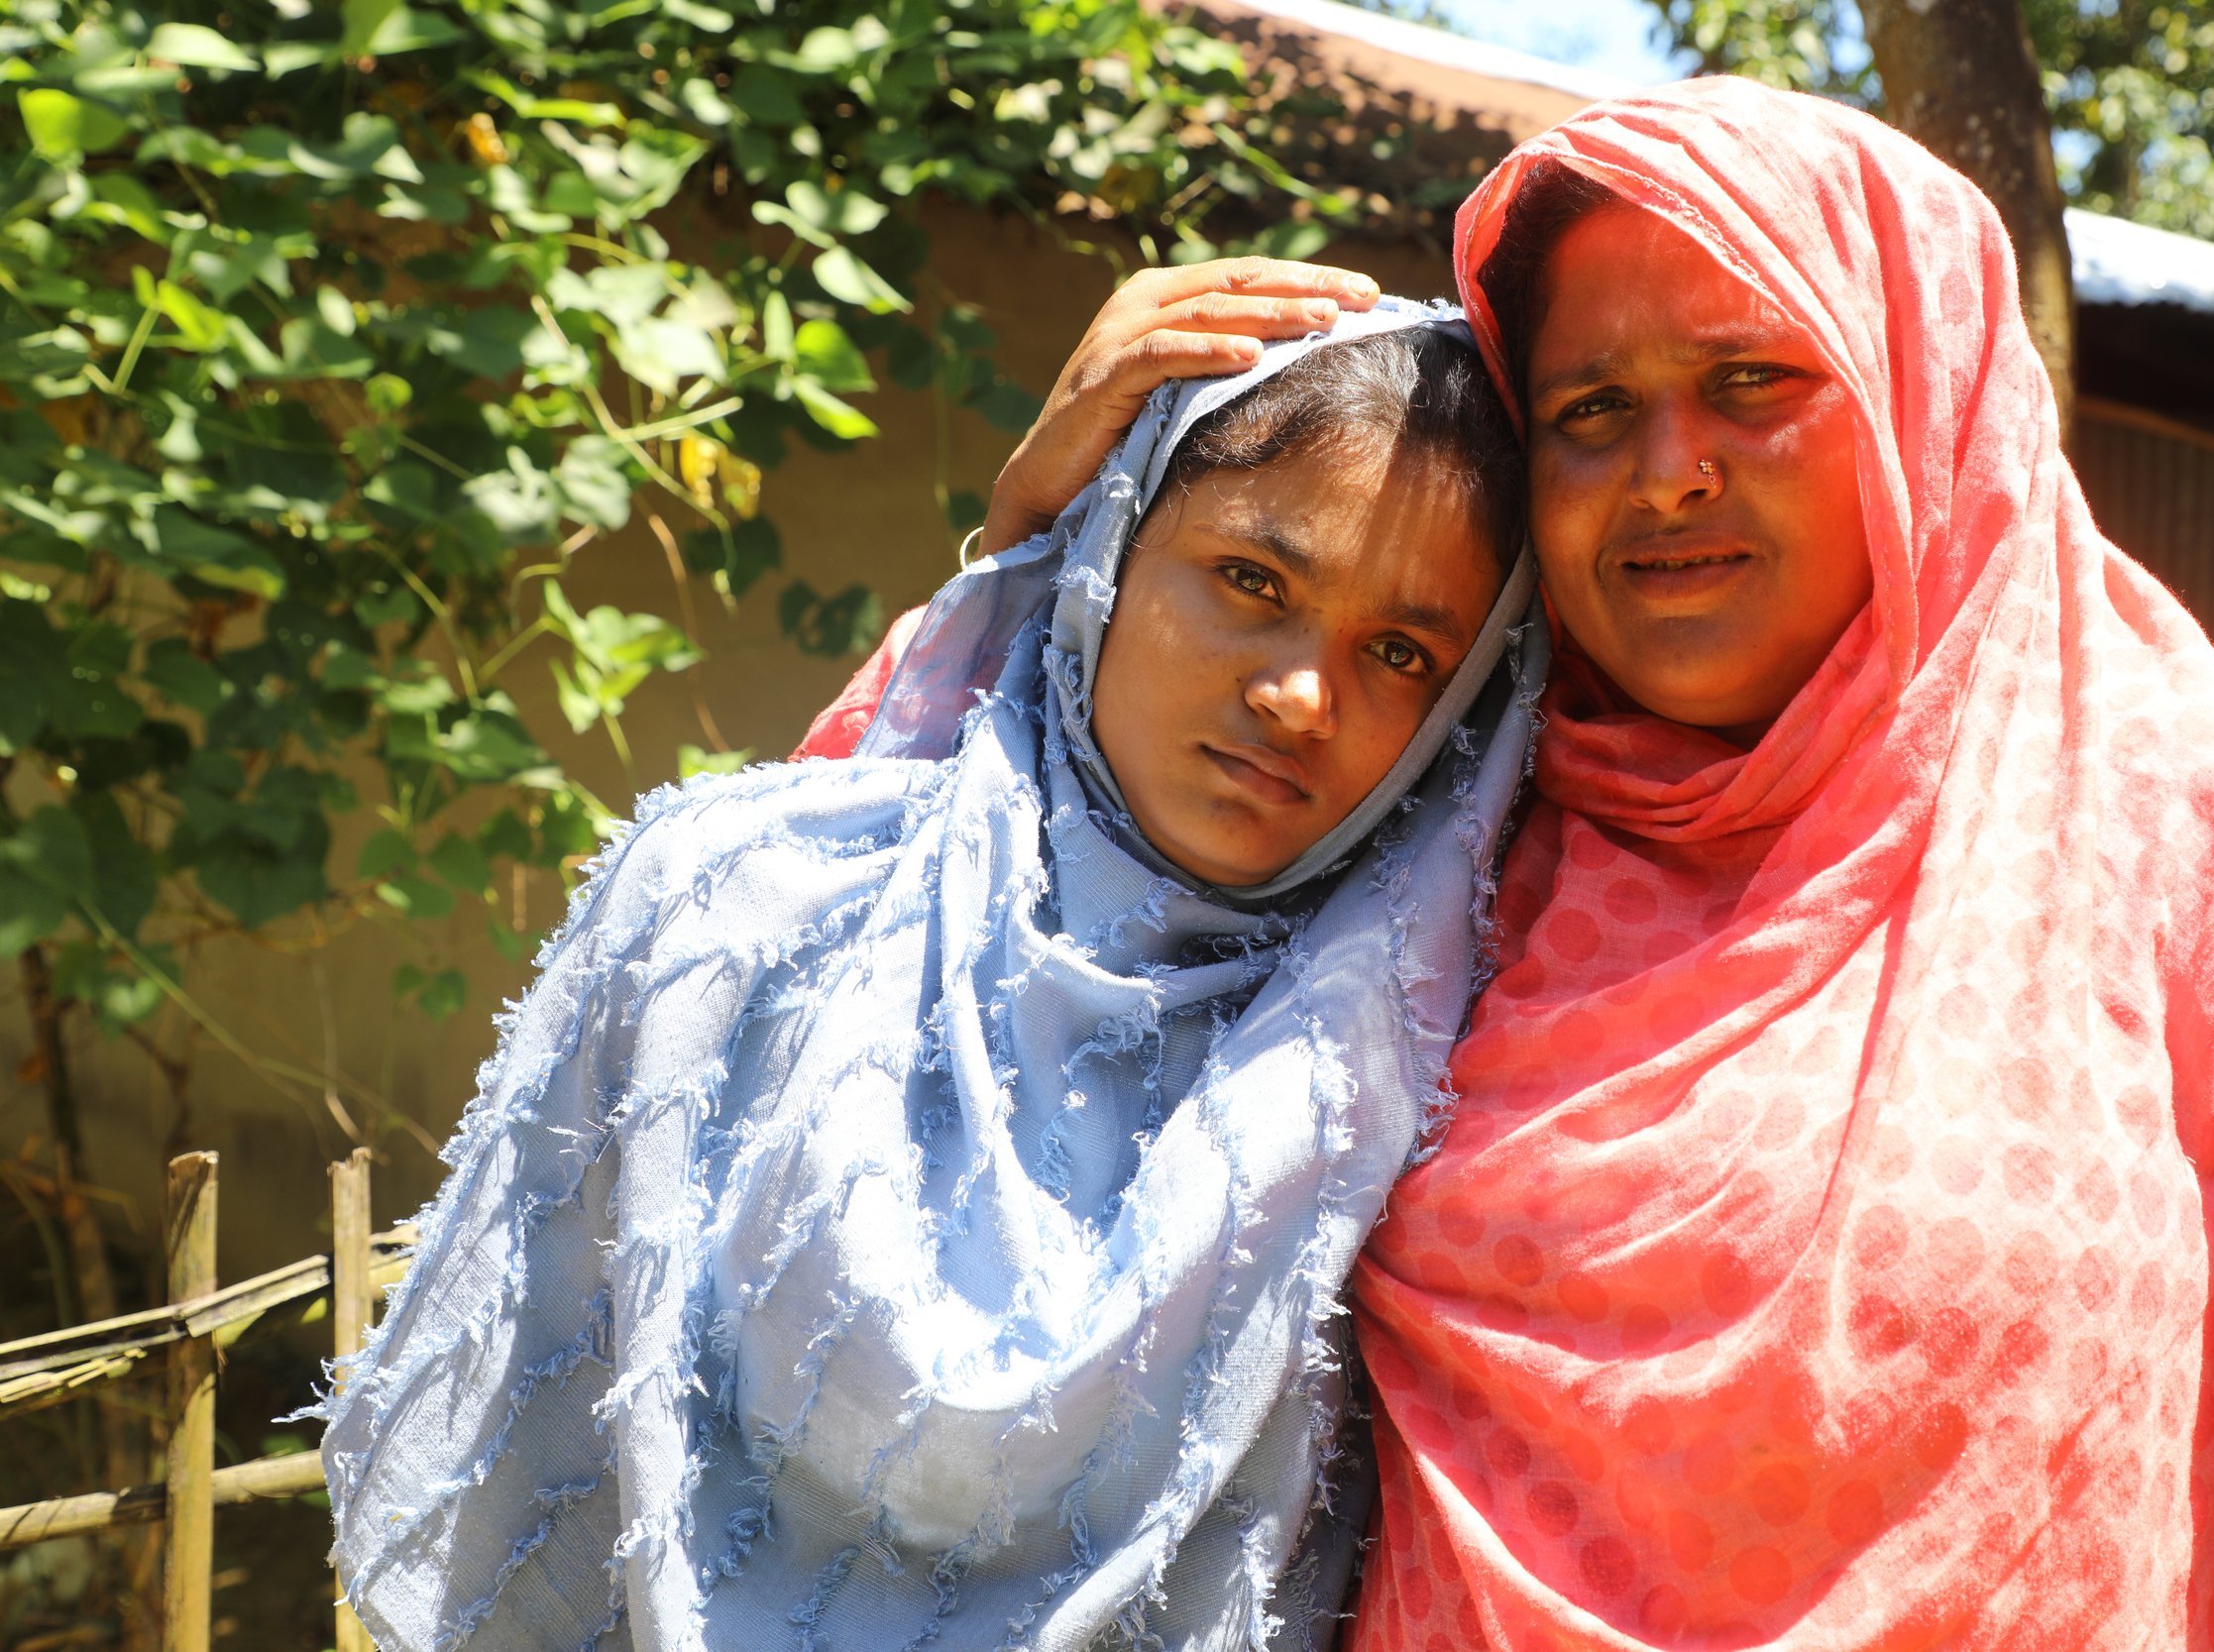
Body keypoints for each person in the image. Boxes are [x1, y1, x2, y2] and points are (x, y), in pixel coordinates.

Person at [846, 78, 2214, 1651]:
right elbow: (878, 984)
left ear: (1928, 389)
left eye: (1756, 381)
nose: (1668, 469)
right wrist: (1035, 551)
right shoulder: (1441, 818)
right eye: (1592, 410)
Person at [318, 305, 1548, 1652]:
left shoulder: (1434, 1094)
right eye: (1255, 579)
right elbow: (523, 1469)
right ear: (1109, 552)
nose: (1304, 696)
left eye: (1403, 657)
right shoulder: (736, 909)